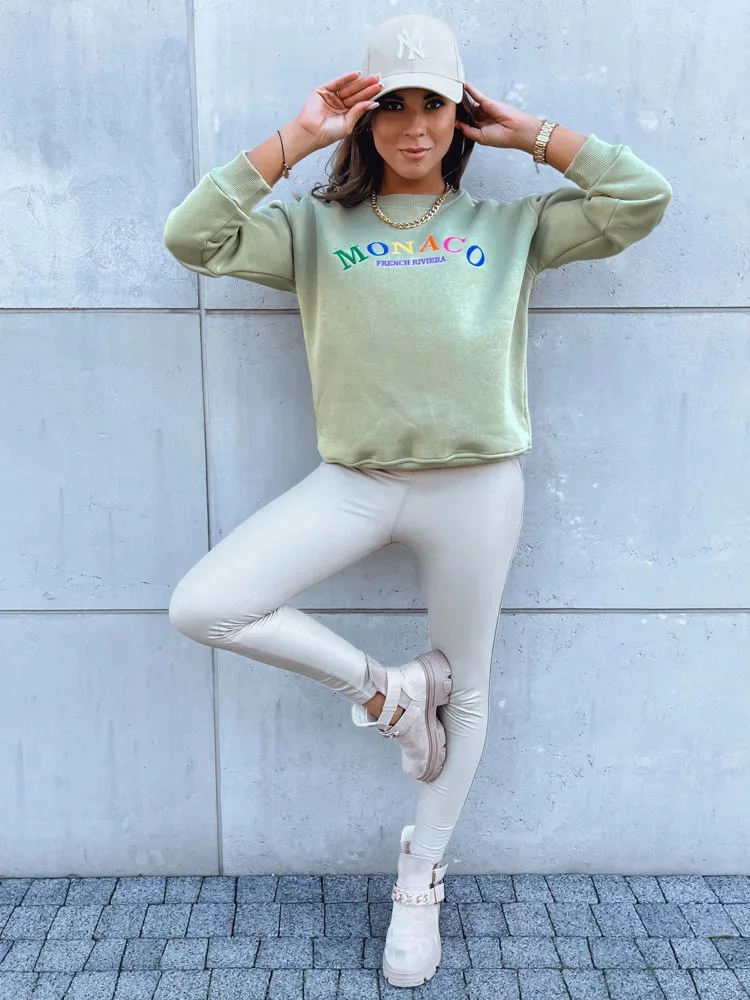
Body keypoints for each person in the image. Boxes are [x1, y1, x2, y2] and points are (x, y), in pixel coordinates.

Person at [162, 11, 672, 988]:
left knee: (469, 685)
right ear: (365, 121)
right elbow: (194, 235)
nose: (412, 125)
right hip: (356, 483)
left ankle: (420, 880)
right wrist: (297, 137)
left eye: (431, 104)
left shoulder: (513, 229)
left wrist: (531, 135)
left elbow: (641, 198)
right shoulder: (313, 230)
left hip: (477, 488)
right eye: (390, 107)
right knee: (207, 603)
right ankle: (388, 692)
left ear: (457, 114)